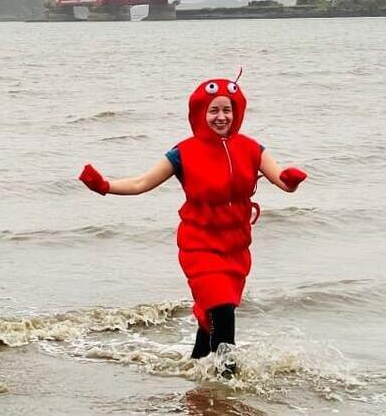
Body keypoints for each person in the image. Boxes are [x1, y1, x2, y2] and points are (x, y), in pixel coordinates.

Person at [79, 75, 307, 372]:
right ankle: (228, 384)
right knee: (223, 310)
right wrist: (105, 185)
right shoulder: (183, 153)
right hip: (199, 244)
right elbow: (141, 182)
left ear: (236, 112)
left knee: (214, 314)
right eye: (214, 110)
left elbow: (279, 177)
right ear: (201, 112)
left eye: (227, 110)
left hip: (236, 246)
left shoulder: (252, 149)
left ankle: (195, 371)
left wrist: (290, 181)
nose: (221, 116)